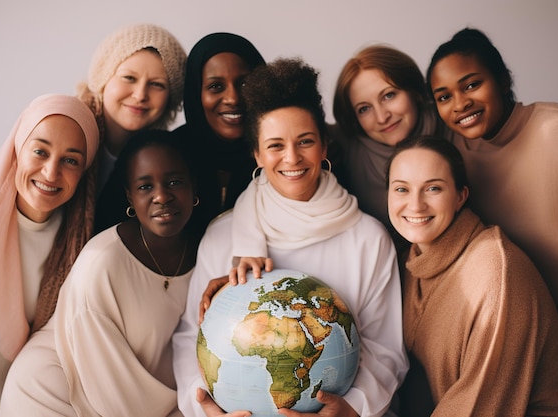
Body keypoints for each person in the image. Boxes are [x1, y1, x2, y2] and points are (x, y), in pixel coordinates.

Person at [173, 58, 408, 417]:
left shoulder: (368, 239)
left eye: (305, 141)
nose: (292, 158)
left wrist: (353, 409)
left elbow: (386, 349)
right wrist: (202, 407)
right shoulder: (225, 236)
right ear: (256, 153)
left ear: (325, 146)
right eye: (275, 145)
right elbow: (192, 335)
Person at [426, 27, 558, 394]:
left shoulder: (556, 130)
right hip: (543, 358)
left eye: (471, 85)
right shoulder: (458, 154)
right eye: (444, 96)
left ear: (502, 80)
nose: (459, 104)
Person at [386, 136, 558, 416]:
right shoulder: (410, 262)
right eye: (401, 189)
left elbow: (478, 407)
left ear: (460, 196)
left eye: (433, 188)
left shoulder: (495, 273)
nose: (416, 205)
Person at [0, 130, 199, 417]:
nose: (161, 196)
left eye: (175, 182)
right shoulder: (102, 262)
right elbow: (111, 395)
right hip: (51, 396)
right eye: (145, 187)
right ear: (129, 196)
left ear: (194, 186)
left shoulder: (203, 255)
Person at [0, 94, 99, 417]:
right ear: (18, 146)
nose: (51, 172)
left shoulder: (79, 235)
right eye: (40, 151)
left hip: (35, 401)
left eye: (71, 160)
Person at [330, 45, 448, 263]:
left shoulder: (450, 121)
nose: (382, 117)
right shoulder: (347, 143)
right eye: (364, 109)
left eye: (389, 95)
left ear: (414, 90)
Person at [89, 23, 187, 232]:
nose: (140, 94)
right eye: (129, 78)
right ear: (104, 78)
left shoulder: (167, 158)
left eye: (157, 84)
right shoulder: (67, 131)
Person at [172, 32, 266, 237]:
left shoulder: (281, 152)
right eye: (216, 86)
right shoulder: (169, 154)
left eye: (244, 84)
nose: (233, 98)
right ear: (196, 92)